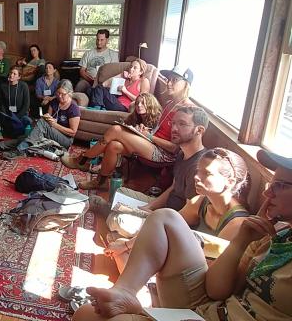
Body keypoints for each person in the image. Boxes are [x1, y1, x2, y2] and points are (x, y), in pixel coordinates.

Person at [74, 149, 292, 321]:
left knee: (89, 316)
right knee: (164, 218)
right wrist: (242, 241)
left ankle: (144, 303)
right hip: (212, 310)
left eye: (279, 186)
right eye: (271, 184)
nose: (266, 193)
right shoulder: (274, 236)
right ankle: (125, 291)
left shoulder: (237, 219)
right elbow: (216, 290)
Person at [105, 148, 251, 272]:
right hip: (183, 259)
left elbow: (210, 271)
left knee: (124, 252)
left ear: (230, 182)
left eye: (206, 173)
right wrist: (127, 245)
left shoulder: (236, 224)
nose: (196, 177)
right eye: (198, 171)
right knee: (121, 245)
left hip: (197, 274)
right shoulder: (201, 201)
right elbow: (164, 225)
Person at [62, 65, 195, 190]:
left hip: (164, 154)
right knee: (114, 145)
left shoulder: (188, 111)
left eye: (175, 80)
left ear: (186, 84)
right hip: (152, 143)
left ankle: (83, 159)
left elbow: (175, 148)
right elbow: (160, 130)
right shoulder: (170, 103)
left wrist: (149, 136)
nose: (169, 83)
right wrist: (146, 131)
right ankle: (101, 182)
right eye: (169, 79)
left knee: (116, 130)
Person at [0, 79, 80, 161]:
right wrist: (46, 120)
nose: (60, 96)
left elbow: (73, 133)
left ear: (70, 93)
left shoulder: (73, 108)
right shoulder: (55, 102)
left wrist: (54, 125)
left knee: (38, 129)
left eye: (63, 94)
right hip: (52, 131)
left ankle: (19, 150)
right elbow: (48, 117)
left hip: (65, 139)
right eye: (58, 93)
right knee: (28, 137)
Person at [86, 59, 150, 111]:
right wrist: (121, 75)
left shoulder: (143, 81)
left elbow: (143, 101)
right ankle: (101, 106)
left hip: (124, 107)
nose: (131, 69)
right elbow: (104, 84)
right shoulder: (125, 79)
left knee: (98, 88)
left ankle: (96, 106)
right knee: (90, 90)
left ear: (141, 72)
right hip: (116, 101)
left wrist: (126, 92)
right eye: (131, 66)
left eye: (135, 68)